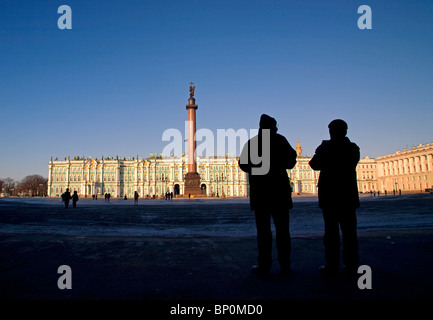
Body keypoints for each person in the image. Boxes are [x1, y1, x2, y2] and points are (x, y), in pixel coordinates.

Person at [239, 114, 297, 275]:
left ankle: (264, 265)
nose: (277, 128)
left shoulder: (253, 143)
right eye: (275, 125)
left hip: (261, 192)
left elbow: (243, 164)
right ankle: (285, 265)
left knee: (263, 231)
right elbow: (292, 161)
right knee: (283, 231)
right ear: (270, 127)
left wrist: (257, 170)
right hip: (279, 191)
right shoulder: (281, 140)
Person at [309, 119, 360, 275]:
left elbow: (314, 164)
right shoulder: (353, 148)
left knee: (331, 233)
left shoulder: (326, 148)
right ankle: (351, 265)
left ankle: (332, 265)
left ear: (331, 131)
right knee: (350, 233)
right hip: (347, 195)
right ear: (346, 131)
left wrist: (323, 148)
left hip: (330, 196)